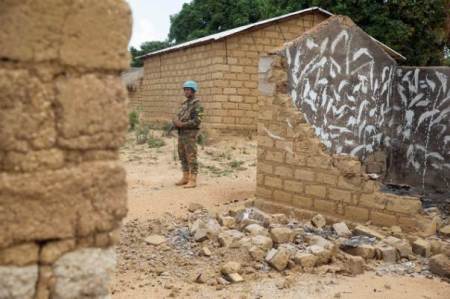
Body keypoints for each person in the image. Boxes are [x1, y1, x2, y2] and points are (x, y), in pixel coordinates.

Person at [173, 80, 203, 188]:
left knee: (191, 156)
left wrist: (182, 124)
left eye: (188, 90)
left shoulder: (197, 105)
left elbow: (197, 121)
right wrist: (176, 122)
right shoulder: (185, 104)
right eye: (185, 90)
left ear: (193, 91)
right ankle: (185, 177)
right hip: (182, 134)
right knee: (182, 156)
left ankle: (193, 179)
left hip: (190, 134)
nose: (186, 92)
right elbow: (179, 115)